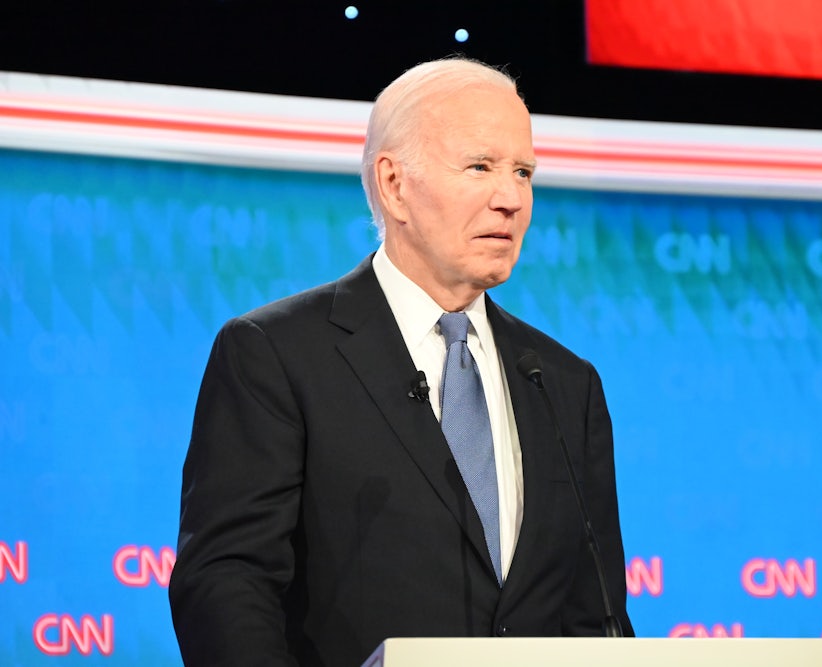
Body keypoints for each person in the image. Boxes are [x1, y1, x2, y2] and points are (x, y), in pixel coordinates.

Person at [168, 57, 634, 667]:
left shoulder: (564, 383)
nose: (511, 198)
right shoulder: (276, 355)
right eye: (481, 167)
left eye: (523, 172)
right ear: (394, 185)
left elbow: (593, 615)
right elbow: (227, 586)